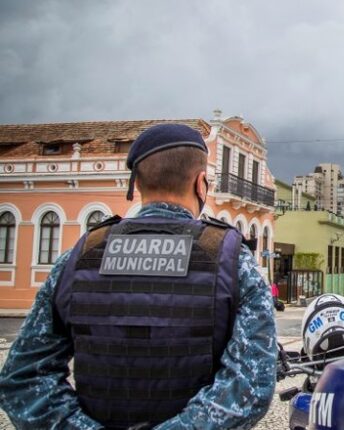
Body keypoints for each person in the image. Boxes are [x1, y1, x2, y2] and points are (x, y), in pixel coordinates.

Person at [0, 124, 277, 429]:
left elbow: (22, 378)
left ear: (137, 184)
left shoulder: (79, 256)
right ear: (201, 184)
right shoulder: (233, 261)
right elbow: (250, 386)